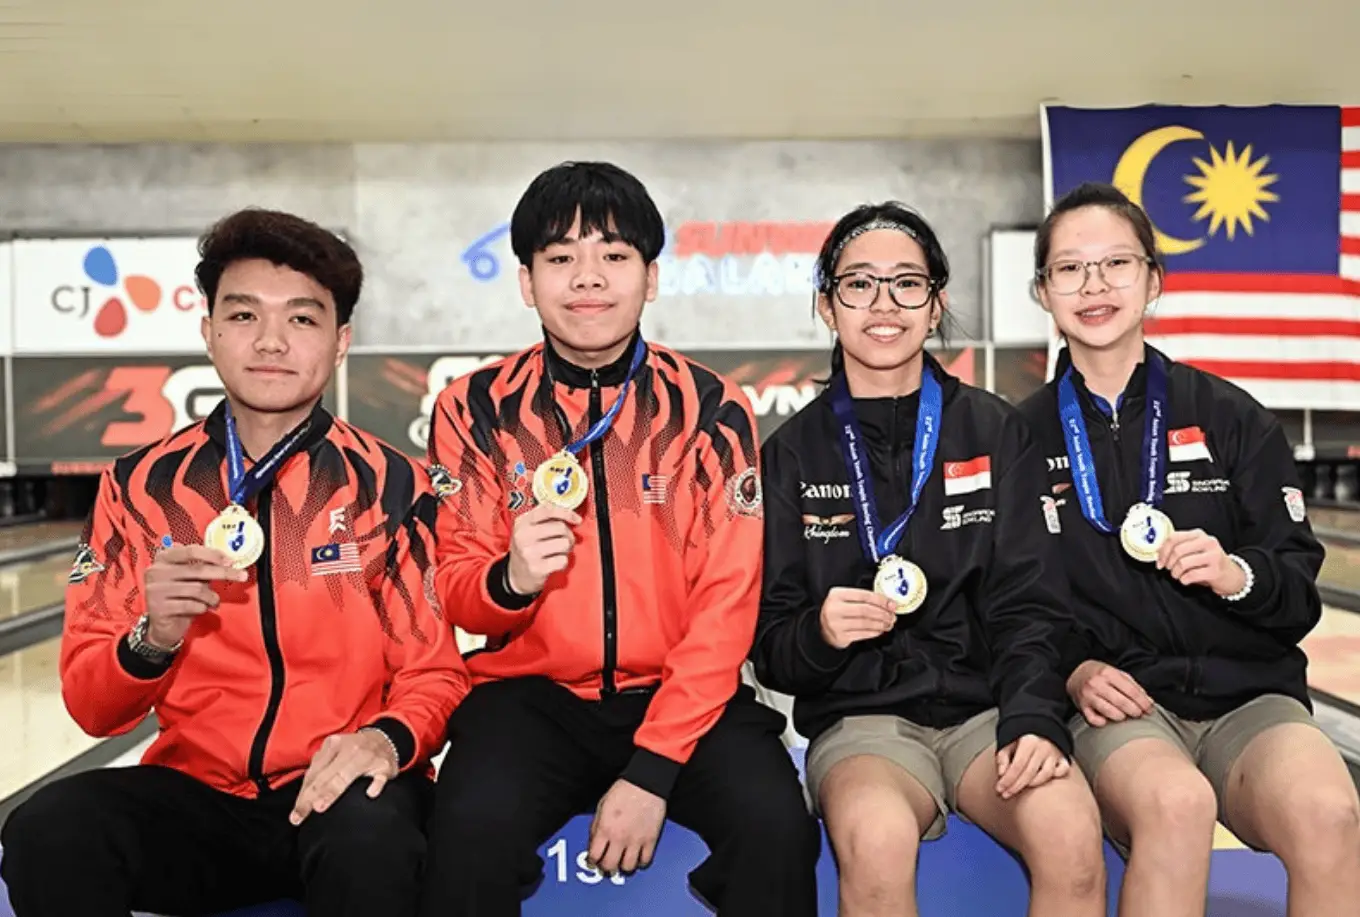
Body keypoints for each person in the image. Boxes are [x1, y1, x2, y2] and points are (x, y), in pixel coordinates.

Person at [0, 209, 469, 917]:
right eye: (245, 314)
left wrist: (385, 738)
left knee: (372, 838)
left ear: (340, 342)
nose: (271, 341)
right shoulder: (139, 487)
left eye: (302, 319)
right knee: (49, 830)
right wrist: (151, 638)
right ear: (209, 331)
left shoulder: (392, 485)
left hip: (340, 792)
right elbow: (93, 708)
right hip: (200, 801)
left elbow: (434, 673)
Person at [419, 160, 821, 916]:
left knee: (775, 826)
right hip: (527, 701)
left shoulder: (710, 407)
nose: (588, 278)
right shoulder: (474, 409)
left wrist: (653, 768)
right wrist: (510, 580)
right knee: (466, 832)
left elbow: (727, 602)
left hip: (684, 694)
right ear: (526, 281)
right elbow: (456, 592)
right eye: (560, 257)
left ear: (651, 276)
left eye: (613, 254)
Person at [750, 202, 1106, 917]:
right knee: (876, 838)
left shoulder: (993, 429)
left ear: (936, 304)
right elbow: (770, 649)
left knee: (1069, 831)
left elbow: (1031, 603)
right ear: (827, 305)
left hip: (987, 714)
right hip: (862, 725)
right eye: (859, 283)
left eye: (907, 283)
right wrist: (819, 633)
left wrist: (1032, 716)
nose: (884, 303)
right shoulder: (791, 454)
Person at [1019, 181, 1360, 917]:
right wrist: (1073, 670)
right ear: (1043, 291)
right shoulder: (1019, 438)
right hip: (1121, 705)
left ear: (1154, 280)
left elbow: (1298, 590)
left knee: (1331, 812)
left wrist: (1238, 575)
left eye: (1117, 263)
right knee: (1177, 803)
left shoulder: (1231, 417)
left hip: (1249, 698)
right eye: (1070, 268)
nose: (1094, 285)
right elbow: (1009, 602)